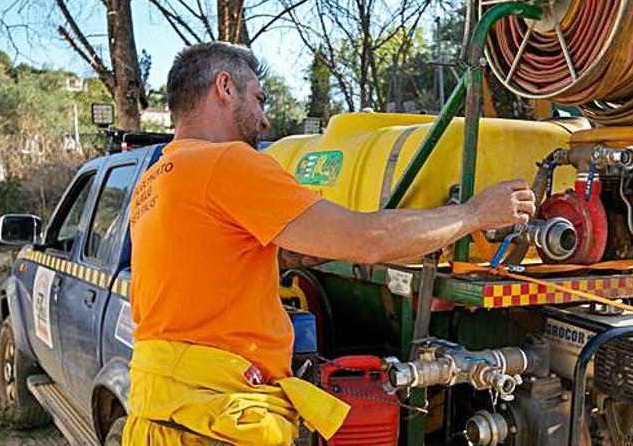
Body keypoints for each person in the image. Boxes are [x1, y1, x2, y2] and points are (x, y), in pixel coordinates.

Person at [123, 41, 536, 445]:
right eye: (259, 98)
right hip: (214, 418)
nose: (265, 121)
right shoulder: (226, 162)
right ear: (225, 87)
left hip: (160, 412)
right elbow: (367, 239)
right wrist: (475, 214)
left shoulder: (157, 178)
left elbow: (209, 268)